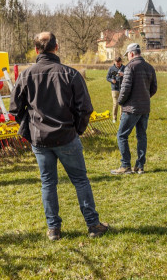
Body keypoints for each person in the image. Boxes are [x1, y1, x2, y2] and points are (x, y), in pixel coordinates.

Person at [9, 32, 109, 240]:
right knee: (80, 180)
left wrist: (29, 129)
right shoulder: (70, 74)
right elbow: (85, 108)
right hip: (65, 137)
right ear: (56, 47)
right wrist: (77, 130)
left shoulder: (26, 76)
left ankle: (54, 229)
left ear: (37, 50)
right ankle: (93, 225)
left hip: (42, 139)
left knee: (48, 183)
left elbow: (15, 109)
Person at [111, 43, 158, 175]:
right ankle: (140, 166)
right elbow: (154, 88)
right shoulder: (149, 67)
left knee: (121, 135)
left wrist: (120, 102)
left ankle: (125, 165)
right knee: (141, 136)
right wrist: (145, 97)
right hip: (144, 108)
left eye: (128, 55)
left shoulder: (130, 67)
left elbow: (125, 89)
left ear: (131, 54)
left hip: (131, 108)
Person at [106, 56, 125, 123]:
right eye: (117, 64)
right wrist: (111, 80)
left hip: (123, 88)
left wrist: (124, 74)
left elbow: (129, 76)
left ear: (121, 62)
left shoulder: (124, 68)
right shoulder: (111, 68)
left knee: (122, 104)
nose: (118, 65)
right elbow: (107, 77)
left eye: (119, 64)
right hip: (114, 89)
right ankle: (114, 118)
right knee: (115, 104)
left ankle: (121, 118)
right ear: (114, 62)